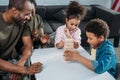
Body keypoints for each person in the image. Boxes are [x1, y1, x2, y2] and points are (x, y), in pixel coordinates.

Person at [0, 0, 42, 80]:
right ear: (14, 11)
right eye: (27, 14)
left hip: (11, 61)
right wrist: (25, 70)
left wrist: (20, 64)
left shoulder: (23, 23)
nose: (30, 18)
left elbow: (28, 46)